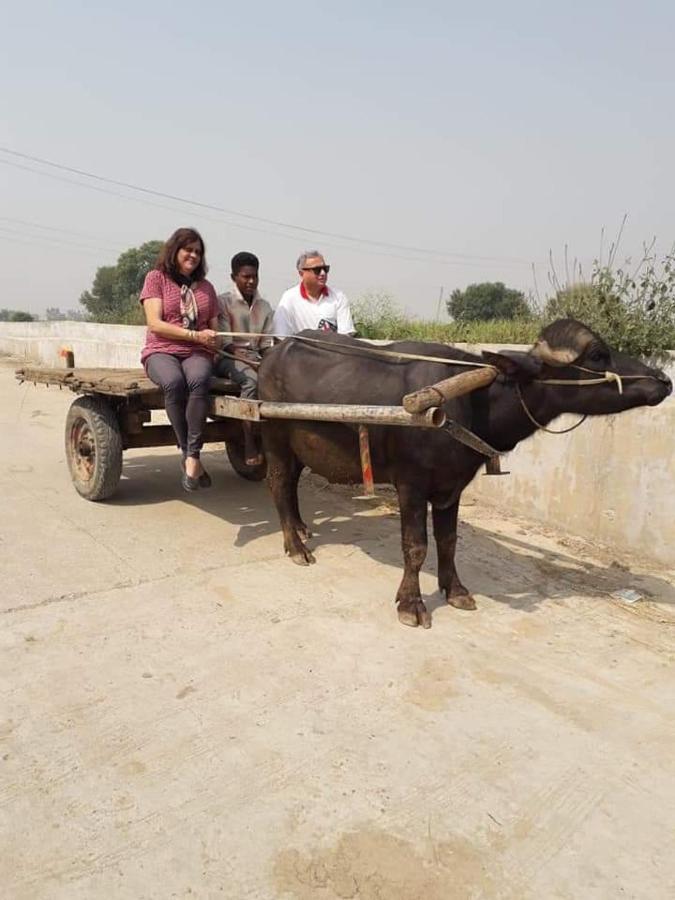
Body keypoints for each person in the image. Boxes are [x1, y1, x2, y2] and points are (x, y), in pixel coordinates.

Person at [139, 227, 219, 492]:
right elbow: (155, 324)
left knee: (199, 379)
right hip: (161, 349)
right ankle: (188, 453)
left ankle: (192, 456)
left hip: (197, 353)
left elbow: (213, 326)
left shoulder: (206, 287)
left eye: (198, 251)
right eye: (188, 250)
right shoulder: (156, 278)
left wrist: (214, 340)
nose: (193, 255)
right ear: (175, 250)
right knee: (174, 383)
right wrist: (195, 335)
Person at [216, 251, 274, 466]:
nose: (251, 281)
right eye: (245, 276)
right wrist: (253, 364)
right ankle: (248, 440)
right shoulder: (223, 302)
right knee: (251, 380)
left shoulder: (265, 306)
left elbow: (267, 345)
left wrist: (270, 364)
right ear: (234, 277)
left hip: (257, 357)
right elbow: (226, 343)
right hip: (227, 357)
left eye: (255, 276)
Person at [273, 250, 355, 336]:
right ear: (301, 273)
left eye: (325, 269)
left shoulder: (338, 297)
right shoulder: (289, 298)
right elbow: (280, 336)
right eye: (317, 270)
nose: (323, 273)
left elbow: (346, 337)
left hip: (332, 349)